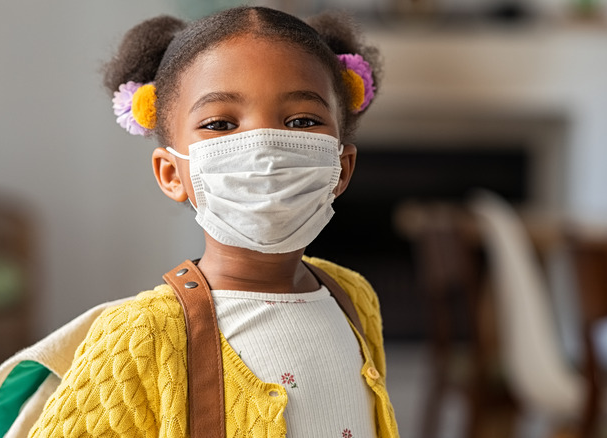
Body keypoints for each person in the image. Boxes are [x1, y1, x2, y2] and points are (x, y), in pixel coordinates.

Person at [29, 6, 398, 437]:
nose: (263, 148)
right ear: (171, 173)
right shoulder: (144, 336)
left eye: (301, 121)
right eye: (220, 123)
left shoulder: (354, 300)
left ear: (343, 167)